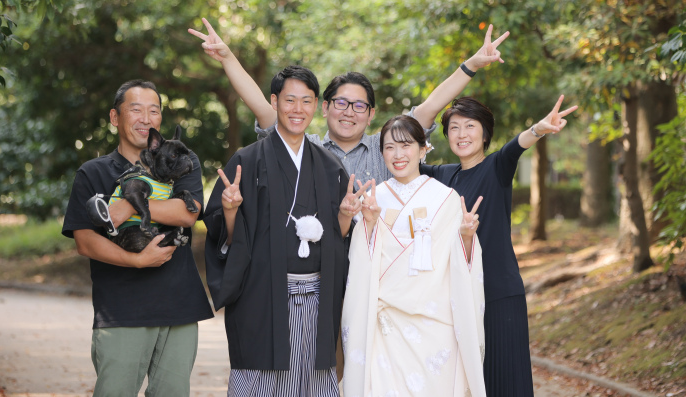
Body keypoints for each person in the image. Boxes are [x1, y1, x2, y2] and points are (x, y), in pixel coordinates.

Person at [203, 65, 370, 396]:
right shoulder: (247, 161)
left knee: (312, 379)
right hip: (262, 296)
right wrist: (230, 209)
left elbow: (337, 238)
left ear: (316, 106)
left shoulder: (328, 165)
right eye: (290, 100)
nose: (298, 109)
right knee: (260, 378)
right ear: (275, 101)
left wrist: (347, 215)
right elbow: (228, 238)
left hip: (316, 298)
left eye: (306, 101)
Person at [188, 18, 509, 186]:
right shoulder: (305, 149)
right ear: (324, 107)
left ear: (370, 115)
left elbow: (427, 110)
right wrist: (228, 58)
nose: (348, 112)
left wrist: (472, 66)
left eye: (359, 106)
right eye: (340, 103)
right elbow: (263, 108)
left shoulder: (388, 151)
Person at [62, 79, 214, 396]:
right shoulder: (93, 172)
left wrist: (129, 203)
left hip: (179, 308)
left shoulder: (180, 157)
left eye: (154, 110)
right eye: (136, 109)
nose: (146, 118)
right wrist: (137, 260)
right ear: (115, 118)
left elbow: (188, 212)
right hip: (121, 311)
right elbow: (84, 242)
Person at [420, 95, 578, 396]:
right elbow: (405, 165)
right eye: (454, 128)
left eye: (470, 125)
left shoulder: (496, 167)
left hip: (498, 294)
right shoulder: (442, 175)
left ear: (484, 133)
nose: (462, 134)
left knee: (506, 381)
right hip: (458, 299)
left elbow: (514, 148)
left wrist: (539, 129)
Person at [341, 115, 487, 397]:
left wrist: (466, 236)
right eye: (389, 147)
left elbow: (460, 263)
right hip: (385, 323)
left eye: (406, 145)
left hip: (434, 322)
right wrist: (369, 224)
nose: (398, 155)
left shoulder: (445, 198)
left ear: (423, 149)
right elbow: (360, 263)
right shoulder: (374, 198)